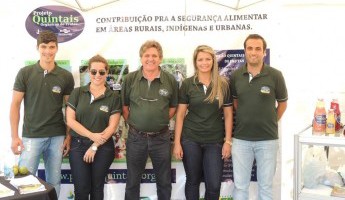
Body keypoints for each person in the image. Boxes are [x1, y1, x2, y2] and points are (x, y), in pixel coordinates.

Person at [10, 30, 75, 196]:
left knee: (54, 181)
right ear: (38, 47)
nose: (48, 51)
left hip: (57, 136)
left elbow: (69, 109)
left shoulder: (65, 76)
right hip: (31, 136)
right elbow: (15, 105)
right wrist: (14, 137)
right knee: (24, 180)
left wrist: (68, 135)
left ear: (57, 48)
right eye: (44, 46)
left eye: (52, 47)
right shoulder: (25, 73)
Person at [230, 34, 288, 200]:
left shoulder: (276, 75)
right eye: (250, 48)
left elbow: (283, 105)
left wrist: (269, 121)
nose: (253, 52)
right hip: (241, 140)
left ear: (264, 52)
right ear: (244, 51)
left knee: (266, 188)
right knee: (240, 187)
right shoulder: (235, 76)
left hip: (267, 140)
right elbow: (236, 103)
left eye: (258, 49)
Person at [173, 45, 233, 200]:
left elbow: (228, 114)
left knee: (213, 185)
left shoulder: (223, 84)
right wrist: (177, 142)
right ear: (195, 62)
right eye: (200, 59)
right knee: (193, 181)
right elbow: (180, 115)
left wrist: (228, 141)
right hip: (190, 139)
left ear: (213, 61)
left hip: (215, 141)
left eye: (208, 59)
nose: (204, 63)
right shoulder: (187, 84)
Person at [122, 40, 178, 200]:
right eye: (147, 55)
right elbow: (125, 107)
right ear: (141, 58)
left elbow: (173, 107)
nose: (150, 59)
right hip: (136, 138)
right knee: (132, 181)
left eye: (154, 55)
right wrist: (136, 123)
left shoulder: (170, 80)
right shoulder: (130, 79)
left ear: (160, 58)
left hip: (161, 138)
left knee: (164, 181)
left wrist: (157, 121)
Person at [66, 54, 121, 200]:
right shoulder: (77, 93)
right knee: (81, 189)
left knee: (97, 188)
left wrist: (95, 145)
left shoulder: (113, 97)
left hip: (103, 147)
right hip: (78, 146)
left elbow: (112, 126)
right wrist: (91, 135)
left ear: (106, 73)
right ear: (88, 72)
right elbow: (70, 121)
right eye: (94, 71)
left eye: (102, 72)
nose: (97, 75)